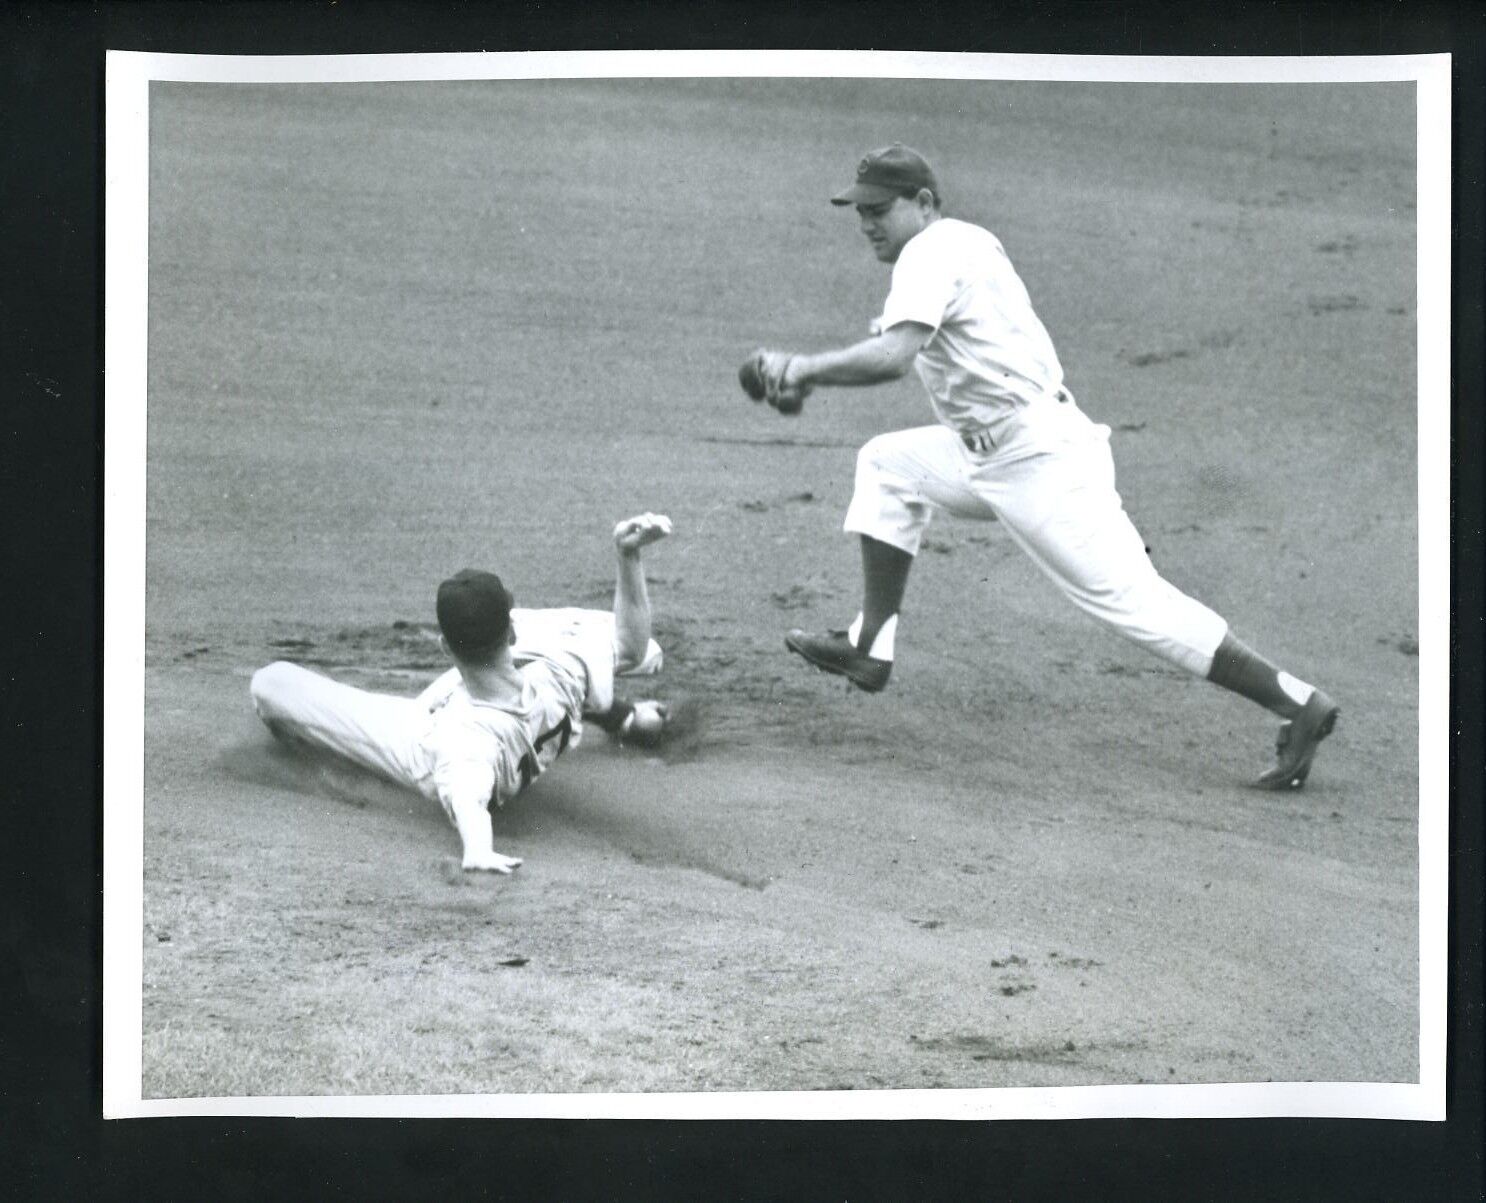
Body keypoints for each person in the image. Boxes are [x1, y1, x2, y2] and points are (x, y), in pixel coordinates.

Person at [747, 144, 1338, 790]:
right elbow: (914, 342)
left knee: (1135, 605)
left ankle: (1297, 701)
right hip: (995, 450)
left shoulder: (930, 252)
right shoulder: (963, 248)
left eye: (879, 209)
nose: (866, 223)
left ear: (923, 203)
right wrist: (811, 379)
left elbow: (892, 356)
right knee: (887, 465)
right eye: (859, 210)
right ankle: (870, 645)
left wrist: (802, 370)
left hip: (1039, 463)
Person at [250, 513, 674, 871]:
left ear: (445, 647)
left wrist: (479, 853)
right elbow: (631, 643)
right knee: (640, 651)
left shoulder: (461, 741)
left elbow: (471, 806)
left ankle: (621, 714)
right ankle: (624, 716)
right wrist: (627, 554)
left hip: (431, 738)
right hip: (545, 703)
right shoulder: (564, 665)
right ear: (511, 631)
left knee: (270, 684)